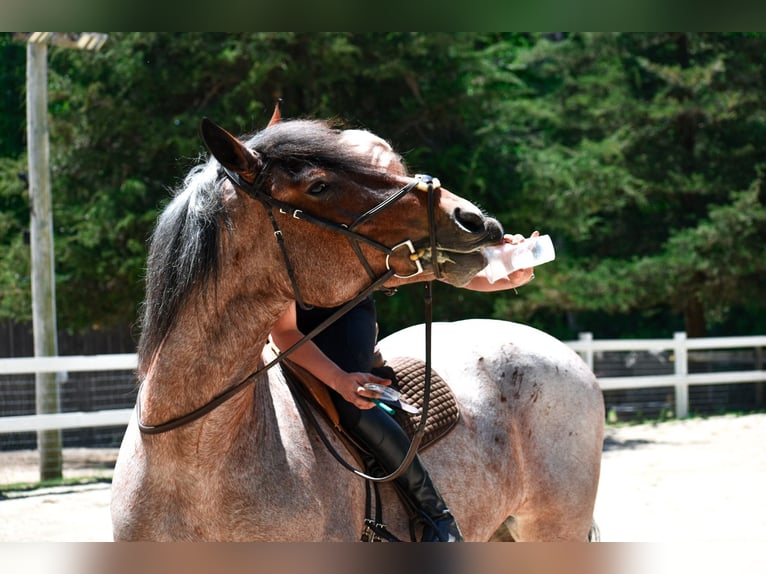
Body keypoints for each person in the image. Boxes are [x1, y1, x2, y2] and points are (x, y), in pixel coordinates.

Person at [270, 131, 535, 542]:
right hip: (311, 367)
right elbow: (284, 333)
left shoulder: (375, 250)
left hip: (357, 367)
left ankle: (432, 518)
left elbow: (457, 273)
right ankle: (437, 518)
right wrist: (340, 379)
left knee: (370, 408)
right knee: (357, 408)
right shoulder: (299, 245)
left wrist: (510, 272)